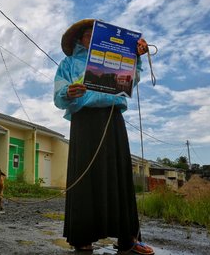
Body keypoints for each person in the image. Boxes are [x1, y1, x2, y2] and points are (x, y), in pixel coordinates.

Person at [53, 19, 155, 254]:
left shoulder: (115, 59)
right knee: (85, 176)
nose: (93, 39)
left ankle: (127, 239)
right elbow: (59, 97)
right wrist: (68, 91)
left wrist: (136, 57)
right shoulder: (68, 64)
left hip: (113, 118)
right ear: (79, 40)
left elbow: (131, 80)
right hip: (84, 121)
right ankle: (82, 238)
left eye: (96, 35)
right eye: (89, 35)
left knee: (119, 175)